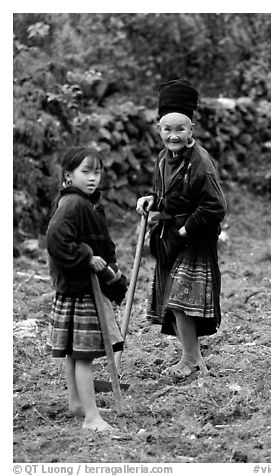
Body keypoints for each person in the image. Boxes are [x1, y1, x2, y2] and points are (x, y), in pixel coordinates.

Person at [136, 79, 227, 378]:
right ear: (159, 130)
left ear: (191, 130)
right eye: (167, 129)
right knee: (174, 302)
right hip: (170, 237)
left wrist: (186, 230)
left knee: (180, 299)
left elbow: (215, 208)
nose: (173, 136)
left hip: (194, 238)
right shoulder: (164, 158)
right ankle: (194, 358)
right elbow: (166, 195)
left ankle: (190, 360)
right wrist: (152, 200)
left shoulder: (201, 163)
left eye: (180, 129)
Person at [46, 146, 127, 431]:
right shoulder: (73, 204)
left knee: (74, 352)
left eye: (97, 172)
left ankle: (77, 403)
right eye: (85, 172)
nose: (93, 178)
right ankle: (92, 418)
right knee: (83, 355)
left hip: (77, 288)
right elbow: (56, 240)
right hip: (80, 290)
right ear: (69, 175)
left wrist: (109, 270)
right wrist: (85, 256)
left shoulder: (87, 203)